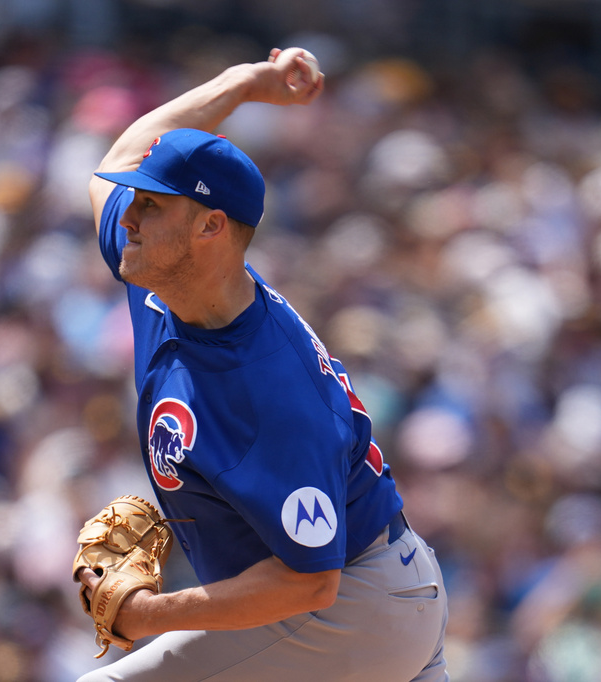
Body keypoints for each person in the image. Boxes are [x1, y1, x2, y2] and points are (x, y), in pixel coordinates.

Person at [76, 47, 449, 681]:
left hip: (351, 607)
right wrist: (242, 83)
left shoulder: (267, 389)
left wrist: (148, 615)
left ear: (211, 228)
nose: (128, 216)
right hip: (375, 602)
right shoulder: (163, 274)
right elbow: (118, 160)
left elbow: (309, 583)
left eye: (152, 205)